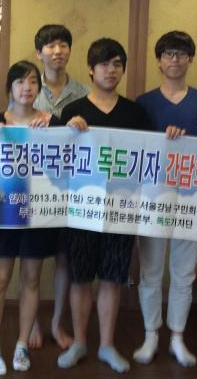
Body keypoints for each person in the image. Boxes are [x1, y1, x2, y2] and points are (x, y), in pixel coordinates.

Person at [132, 30, 197, 367]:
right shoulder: (144, 103)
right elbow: (136, 150)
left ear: (190, 59)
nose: (174, 59)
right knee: (150, 270)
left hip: (192, 199)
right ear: (158, 61)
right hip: (152, 195)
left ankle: (177, 336)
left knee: (183, 271)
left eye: (181, 54)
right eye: (168, 54)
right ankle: (150, 334)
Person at [57, 38, 152, 373]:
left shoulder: (136, 113)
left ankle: (107, 346)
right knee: (80, 278)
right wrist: (68, 131)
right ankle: (80, 342)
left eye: (117, 64)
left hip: (121, 210)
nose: (111, 70)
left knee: (113, 278)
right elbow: (58, 160)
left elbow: (152, 158)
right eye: (104, 64)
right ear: (90, 69)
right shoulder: (73, 111)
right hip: (81, 210)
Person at [0, 60, 60, 376]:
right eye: (20, 82)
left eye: (32, 82)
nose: (27, 88)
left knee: (31, 280)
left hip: (37, 212)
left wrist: (68, 128)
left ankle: (22, 345)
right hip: (4, 212)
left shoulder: (51, 123)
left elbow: (69, 160)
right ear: (9, 88)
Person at [29, 24, 89, 350]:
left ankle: (57, 322)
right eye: (50, 46)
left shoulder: (84, 92)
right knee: (33, 259)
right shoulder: (27, 88)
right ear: (39, 53)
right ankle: (32, 322)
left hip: (72, 189)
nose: (58, 51)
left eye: (63, 44)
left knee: (66, 259)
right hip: (35, 188)